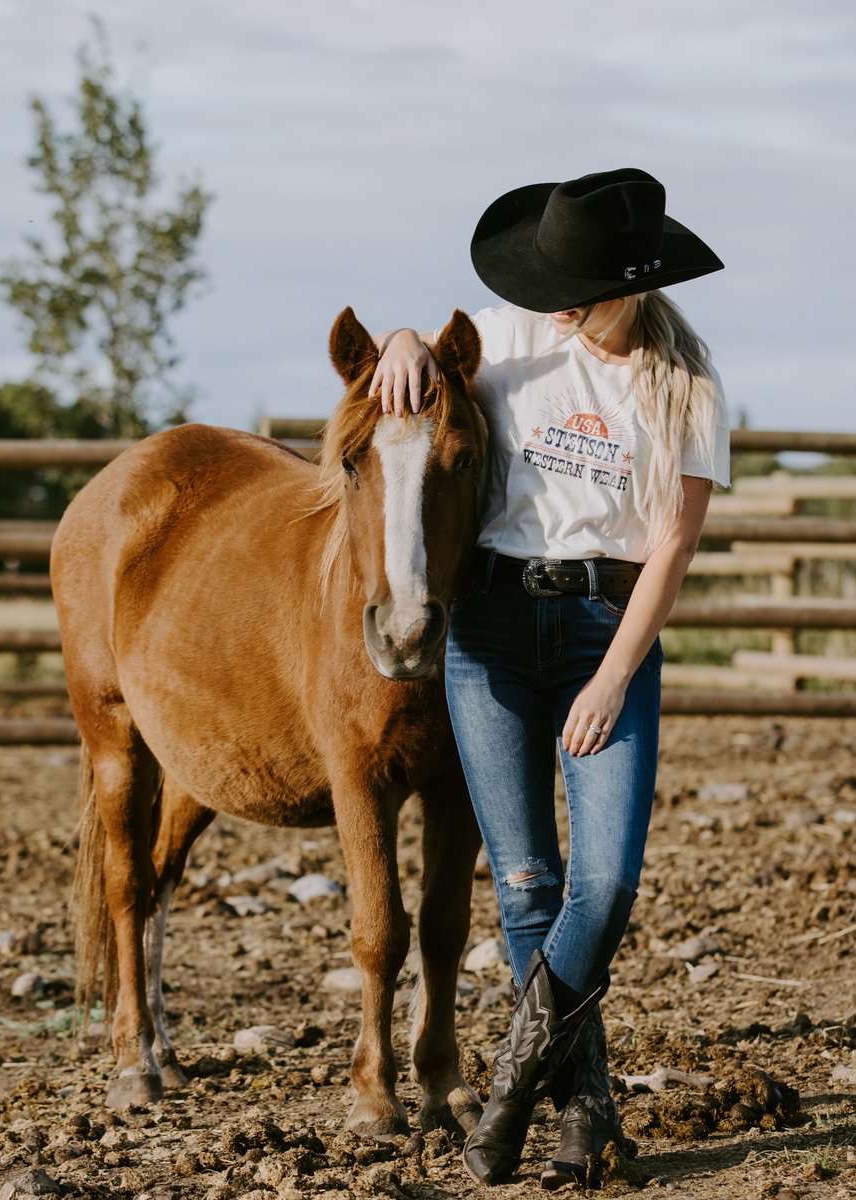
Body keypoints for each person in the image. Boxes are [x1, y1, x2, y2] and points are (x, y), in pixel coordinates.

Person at [369, 168, 730, 1188]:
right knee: (527, 885)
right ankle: (585, 1119)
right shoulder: (519, 338)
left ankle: (509, 1089)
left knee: (605, 883)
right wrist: (401, 339)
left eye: (577, 285)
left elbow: (671, 548)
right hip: (489, 628)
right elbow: (421, 361)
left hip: (602, 633)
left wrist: (614, 676)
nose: (556, 300)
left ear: (633, 282)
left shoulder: (685, 386)